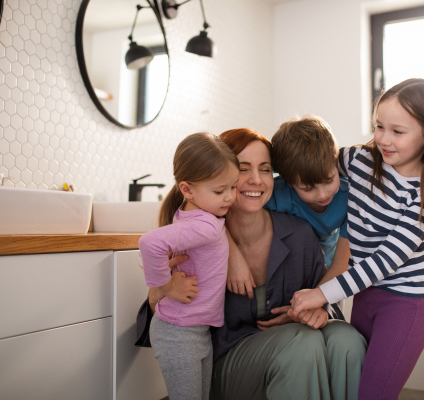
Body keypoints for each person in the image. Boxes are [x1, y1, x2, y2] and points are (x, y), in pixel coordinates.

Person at [142, 127, 366, 400]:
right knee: (302, 344)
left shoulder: (300, 233)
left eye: (265, 169)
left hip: (291, 347)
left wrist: (318, 311)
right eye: (243, 169)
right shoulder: (195, 238)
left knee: (347, 340)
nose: (256, 180)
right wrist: (164, 287)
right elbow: (159, 307)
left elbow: (324, 293)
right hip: (225, 361)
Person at [290, 78, 424, 399]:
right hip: (366, 296)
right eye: (379, 126)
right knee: (355, 387)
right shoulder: (357, 160)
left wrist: (321, 294)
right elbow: (307, 166)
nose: (383, 139)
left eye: (398, 131)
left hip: (407, 304)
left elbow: (384, 262)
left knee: (374, 394)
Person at [138, 132, 240, 400]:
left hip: (191, 329)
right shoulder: (205, 224)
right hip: (179, 333)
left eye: (233, 186)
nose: (230, 197)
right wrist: (166, 285)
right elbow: (149, 243)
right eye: (220, 191)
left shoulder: (194, 212)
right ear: (187, 189)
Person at [228, 116, 350, 319]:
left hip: (329, 270)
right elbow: (221, 213)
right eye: (308, 188)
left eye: (329, 180)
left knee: (333, 320)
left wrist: (315, 301)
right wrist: (232, 254)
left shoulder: (350, 199)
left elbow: (341, 264)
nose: (322, 195)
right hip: (295, 269)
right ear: (290, 182)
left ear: (336, 163)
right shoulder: (278, 193)